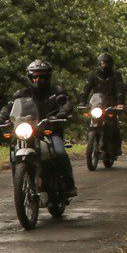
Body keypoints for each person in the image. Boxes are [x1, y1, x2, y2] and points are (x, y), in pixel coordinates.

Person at [5, 58, 76, 197]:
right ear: (30, 77)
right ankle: (19, 187)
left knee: (60, 152)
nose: (38, 79)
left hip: (50, 130)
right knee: (14, 154)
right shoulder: (22, 93)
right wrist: (0, 118)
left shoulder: (56, 91)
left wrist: (61, 113)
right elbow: (9, 107)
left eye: (42, 76)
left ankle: (69, 184)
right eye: (35, 76)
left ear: (48, 77)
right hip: (28, 130)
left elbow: (66, 104)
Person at [82, 51, 124, 162]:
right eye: (103, 63)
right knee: (90, 121)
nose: (104, 65)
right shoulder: (93, 75)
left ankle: (116, 148)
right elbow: (86, 89)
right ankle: (91, 144)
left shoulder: (116, 75)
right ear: (99, 63)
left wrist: (120, 103)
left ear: (111, 64)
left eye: (107, 63)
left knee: (113, 125)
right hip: (97, 103)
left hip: (111, 104)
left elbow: (120, 90)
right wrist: (82, 102)